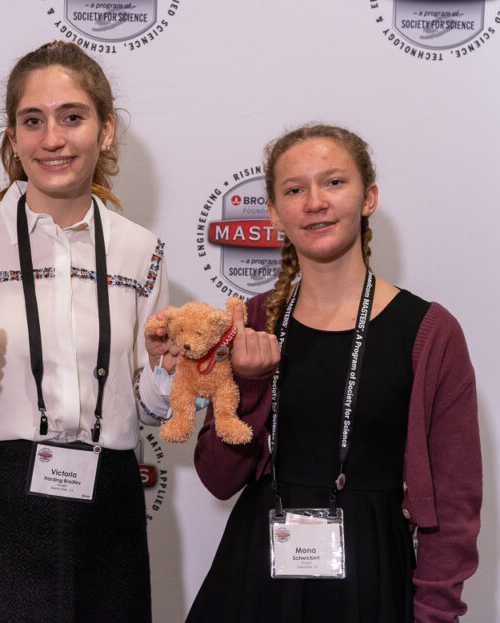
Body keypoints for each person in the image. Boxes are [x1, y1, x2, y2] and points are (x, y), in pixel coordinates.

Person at [175, 124, 481, 622]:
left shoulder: (429, 332)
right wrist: (251, 383)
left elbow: (455, 501)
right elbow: (216, 478)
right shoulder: (250, 321)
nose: (314, 202)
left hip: (372, 575)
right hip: (257, 572)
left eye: (334, 183)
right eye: (295, 190)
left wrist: (437, 612)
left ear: (369, 197)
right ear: (275, 214)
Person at [0, 41, 170, 622]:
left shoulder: (140, 250)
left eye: (72, 117)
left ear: (104, 131)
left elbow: (150, 411)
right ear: (13, 135)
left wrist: (169, 369)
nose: (52, 139)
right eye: (34, 121)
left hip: (110, 496)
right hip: (1, 498)